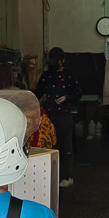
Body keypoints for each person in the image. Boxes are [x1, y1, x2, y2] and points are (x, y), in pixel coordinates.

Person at [34, 47, 81, 187]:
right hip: (48, 117)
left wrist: (66, 98)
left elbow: (78, 93)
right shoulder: (46, 75)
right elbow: (38, 93)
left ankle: (68, 177)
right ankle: (50, 177)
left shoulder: (69, 75)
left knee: (66, 146)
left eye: (57, 62)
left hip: (64, 116)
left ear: (63, 61)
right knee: (50, 147)